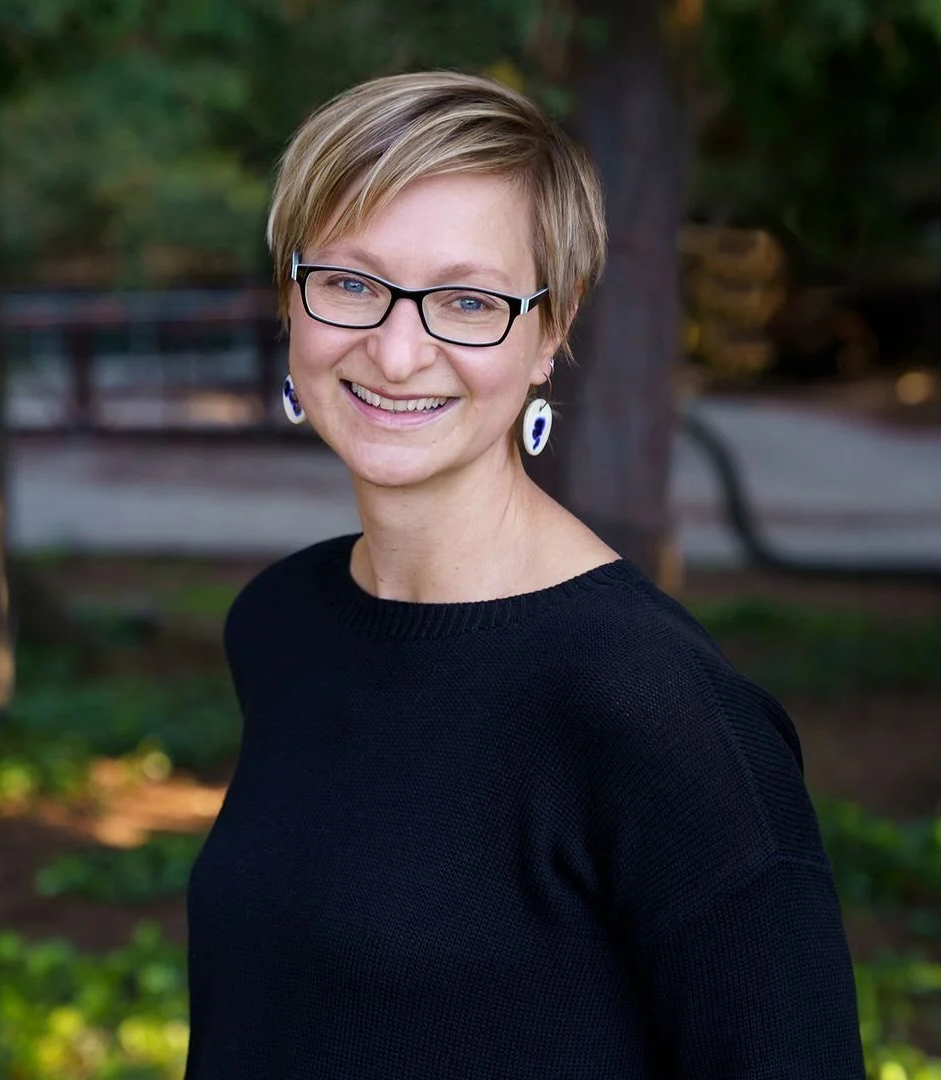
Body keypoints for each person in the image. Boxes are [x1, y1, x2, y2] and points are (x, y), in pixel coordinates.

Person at [184, 71, 865, 1079]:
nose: (397, 349)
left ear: (552, 331)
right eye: (351, 283)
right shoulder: (284, 623)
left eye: (468, 301)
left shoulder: (657, 710)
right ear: (292, 295)